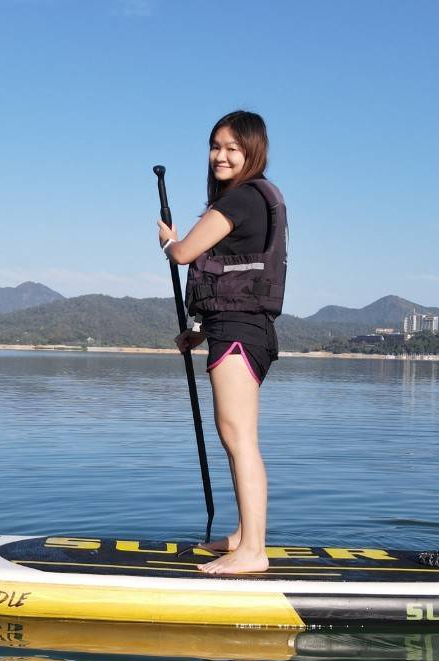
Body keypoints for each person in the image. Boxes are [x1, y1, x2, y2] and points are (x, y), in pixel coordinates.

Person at [157, 110, 286, 575]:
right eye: (216, 146)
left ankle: (254, 550)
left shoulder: (241, 199)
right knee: (235, 438)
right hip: (237, 330)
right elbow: (237, 286)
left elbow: (185, 253)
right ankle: (241, 535)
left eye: (233, 148)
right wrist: (202, 331)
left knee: (239, 438)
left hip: (239, 334)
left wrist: (169, 241)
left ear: (253, 152)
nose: (221, 156)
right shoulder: (255, 199)